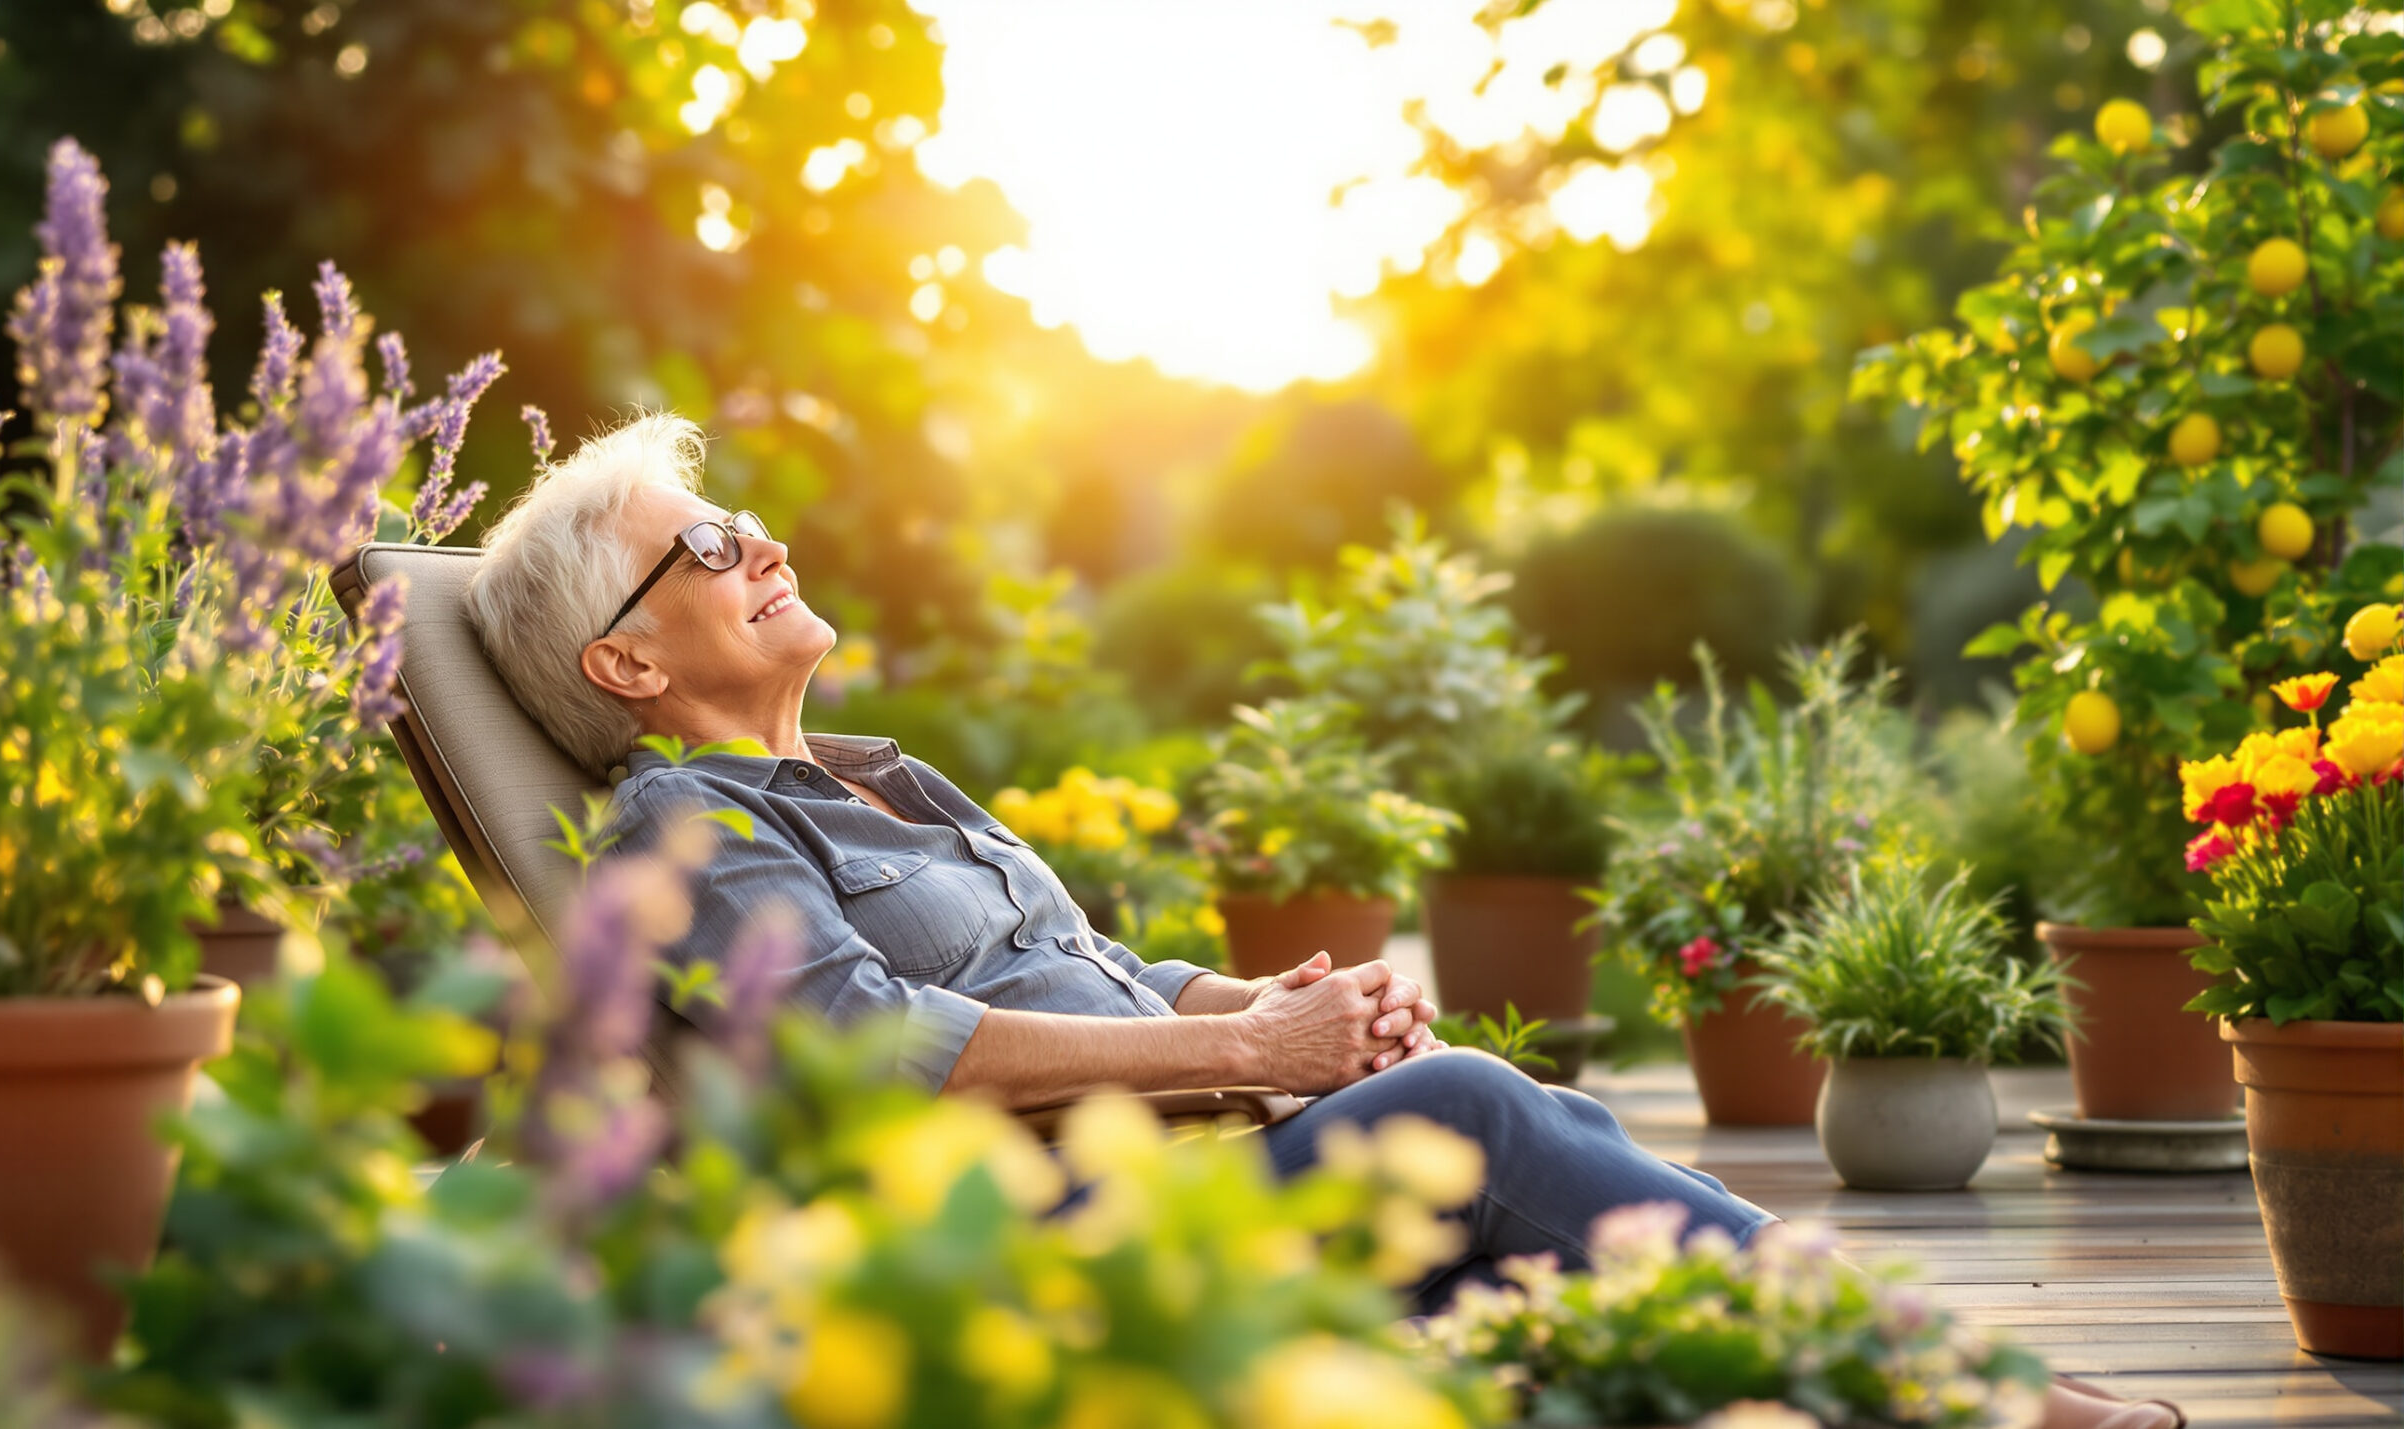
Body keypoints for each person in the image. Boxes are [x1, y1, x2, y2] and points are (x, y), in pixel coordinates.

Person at [465, 414, 2182, 1429]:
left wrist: (1278, 999)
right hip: (1082, 1241)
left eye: (738, 511)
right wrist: (1242, 1044)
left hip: (1196, 1152)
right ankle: (1962, 1394)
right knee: (1493, 1121)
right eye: (701, 540)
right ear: (627, 663)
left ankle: (1898, 1374)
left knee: (1525, 1118)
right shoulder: (686, 824)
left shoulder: (889, 775)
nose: (756, 537)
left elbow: (1112, 973)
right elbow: (877, 1054)